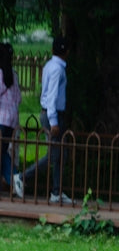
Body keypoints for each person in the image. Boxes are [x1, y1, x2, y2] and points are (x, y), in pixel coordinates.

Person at [23, 36, 71, 203]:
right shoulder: (58, 69)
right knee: (54, 155)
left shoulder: (49, 65)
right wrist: (54, 121)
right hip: (53, 114)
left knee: (61, 154)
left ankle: (57, 192)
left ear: (52, 50)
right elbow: (52, 95)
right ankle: (23, 177)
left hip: (51, 112)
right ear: (67, 52)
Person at [0, 42, 21, 198]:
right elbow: (19, 98)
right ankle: (15, 179)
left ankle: (14, 179)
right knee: (3, 151)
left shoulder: (0, 73)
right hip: (12, 120)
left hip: (1, 118)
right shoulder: (13, 74)